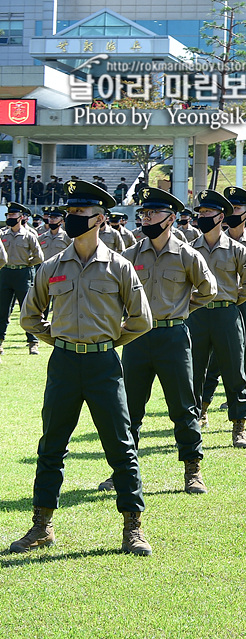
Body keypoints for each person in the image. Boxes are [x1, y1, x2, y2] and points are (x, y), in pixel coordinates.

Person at [13, 180, 153, 556]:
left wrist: (107, 343)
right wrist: (59, 340)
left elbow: (141, 320)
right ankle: (41, 526)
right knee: (51, 446)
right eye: (70, 212)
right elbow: (30, 317)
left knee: (121, 446)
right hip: (62, 363)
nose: (73, 219)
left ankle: (133, 528)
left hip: (103, 365)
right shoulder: (51, 266)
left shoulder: (120, 266)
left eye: (80, 214)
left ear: (99, 219)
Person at [117, 187, 216, 493]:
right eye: (143, 213)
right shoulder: (129, 255)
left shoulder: (187, 254)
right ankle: (122, 470)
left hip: (173, 336)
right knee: (128, 409)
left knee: (183, 407)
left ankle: (192, 469)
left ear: (171, 218)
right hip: (137, 337)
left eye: (152, 213)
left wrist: (183, 309)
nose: (146, 218)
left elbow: (208, 290)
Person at [187, 190, 246, 449]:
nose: (202, 217)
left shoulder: (236, 249)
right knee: (193, 372)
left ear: (221, 217)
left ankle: (239, 427)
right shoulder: (189, 249)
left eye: (208, 213)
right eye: (201, 213)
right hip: (196, 316)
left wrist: (230, 302)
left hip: (226, 315)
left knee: (233, 372)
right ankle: (193, 421)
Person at [0, 201, 45, 356]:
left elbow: (39, 256)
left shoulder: (29, 235)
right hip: (5, 273)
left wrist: (26, 264)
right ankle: (0, 342)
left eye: (12, 215)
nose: (9, 217)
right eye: (8, 215)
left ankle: (33, 343)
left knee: (27, 309)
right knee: (2, 310)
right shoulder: (2, 234)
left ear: (20, 217)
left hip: (23, 274)